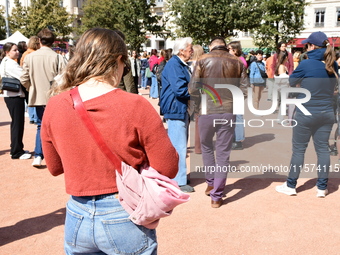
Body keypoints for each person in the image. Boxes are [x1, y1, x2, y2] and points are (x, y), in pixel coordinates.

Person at [41, 28, 179, 254]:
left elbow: (55, 168)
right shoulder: (134, 105)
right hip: (124, 212)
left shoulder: (55, 104)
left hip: (77, 214)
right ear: (118, 60)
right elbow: (168, 167)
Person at [276, 31, 338, 198]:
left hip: (306, 112)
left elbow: (290, 82)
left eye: (307, 45)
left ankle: (291, 185)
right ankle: (321, 188)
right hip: (326, 113)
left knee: (298, 150)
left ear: (312, 46)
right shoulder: (333, 65)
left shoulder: (306, 64)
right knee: (323, 150)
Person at [189, 37, 248, 207]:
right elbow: (244, 90)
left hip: (207, 110)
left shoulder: (202, 60)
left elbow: (193, 87)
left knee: (207, 147)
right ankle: (217, 195)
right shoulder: (237, 61)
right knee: (223, 153)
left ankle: (210, 183)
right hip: (228, 111)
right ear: (224, 46)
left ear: (211, 46)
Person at [20, 28, 66, 167]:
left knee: (41, 126)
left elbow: (24, 78)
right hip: (55, 96)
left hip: (38, 96)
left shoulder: (29, 57)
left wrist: (31, 88)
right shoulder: (58, 57)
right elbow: (65, 78)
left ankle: (38, 155)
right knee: (57, 127)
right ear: (53, 42)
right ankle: (59, 156)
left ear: (39, 40)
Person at [160, 37, 195, 193]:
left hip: (179, 108)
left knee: (180, 144)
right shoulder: (175, 64)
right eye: (190, 48)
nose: (192, 50)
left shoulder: (178, 64)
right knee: (179, 146)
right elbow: (180, 89)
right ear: (181, 50)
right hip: (176, 108)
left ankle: (180, 176)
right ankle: (178, 180)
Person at [0, 43, 31, 160]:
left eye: (17, 50)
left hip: (11, 96)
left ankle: (16, 148)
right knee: (17, 123)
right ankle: (16, 151)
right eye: (14, 50)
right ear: (7, 52)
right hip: (15, 96)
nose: (17, 52)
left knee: (16, 123)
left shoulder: (5, 62)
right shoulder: (11, 64)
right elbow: (23, 76)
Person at [227, 41, 247, 150]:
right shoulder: (237, 60)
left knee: (237, 116)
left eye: (229, 49)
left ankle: (238, 140)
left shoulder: (238, 61)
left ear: (235, 50)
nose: (228, 51)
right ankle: (235, 138)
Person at [20, 36, 41, 125]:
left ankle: (32, 117)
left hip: (28, 80)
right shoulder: (33, 54)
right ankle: (34, 117)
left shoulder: (25, 53)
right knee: (33, 98)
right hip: (32, 80)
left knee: (30, 99)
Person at [189, 44, 205, 154]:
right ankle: (199, 147)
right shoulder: (203, 64)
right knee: (200, 121)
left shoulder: (188, 64)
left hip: (190, 94)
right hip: (201, 93)